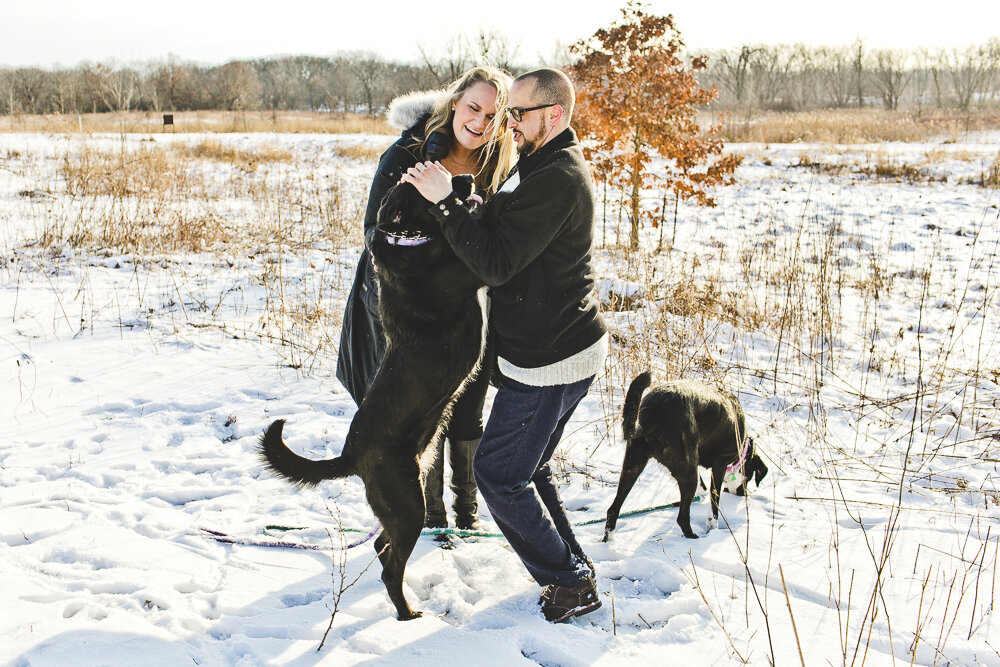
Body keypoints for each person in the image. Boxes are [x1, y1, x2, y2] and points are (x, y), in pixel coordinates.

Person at [400, 68, 608, 623]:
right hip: (548, 348)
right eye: (505, 113)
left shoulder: (557, 178)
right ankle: (573, 570)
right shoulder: (537, 164)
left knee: (499, 472)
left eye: (518, 113)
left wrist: (446, 202)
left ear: (554, 115)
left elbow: (495, 262)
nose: (507, 124)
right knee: (528, 467)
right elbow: (497, 226)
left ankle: (568, 583)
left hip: (553, 358)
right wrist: (462, 203)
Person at [335, 66, 517, 533]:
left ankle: (467, 513)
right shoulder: (408, 153)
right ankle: (432, 516)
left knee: (468, 404)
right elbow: (377, 231)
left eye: (493, 116)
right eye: (473, 108)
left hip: (468, 308)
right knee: (421, 408)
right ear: (455, 102)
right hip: (410, 310)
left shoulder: (499, 162)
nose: (479, 122)